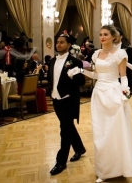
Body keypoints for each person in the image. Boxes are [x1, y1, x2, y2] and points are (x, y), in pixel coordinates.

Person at [69, 25, 132, 183]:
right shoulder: (95, 54)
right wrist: (80, 71)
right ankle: (104, 170)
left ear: (114, 37)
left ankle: (120, 167)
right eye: (100, 34)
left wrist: (124, 93)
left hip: (114, 94)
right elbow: (96, 75)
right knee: (101, 132)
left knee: (115, 132)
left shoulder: (120, 54)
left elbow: (123, 76)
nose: (102, 37)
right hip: (99, 94)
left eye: (105, 34)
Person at [47, 34, 86, 176]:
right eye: (57, 42)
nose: (58, 45)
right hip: (56, 99)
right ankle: (79, 148)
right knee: (68, 126)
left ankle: (61, 161)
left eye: (61, 42)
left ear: (69, 44)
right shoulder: (52, 61)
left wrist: (73, 75)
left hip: (68, 100)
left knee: (64, 130)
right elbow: (51, 79)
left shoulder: (75, 61)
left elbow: (81, 82)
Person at [115, 27, 132, 96]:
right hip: (112, 81)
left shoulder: (128, 49)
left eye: (116, 35)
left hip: (125, 79)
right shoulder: (108, 49)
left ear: (121, 36)